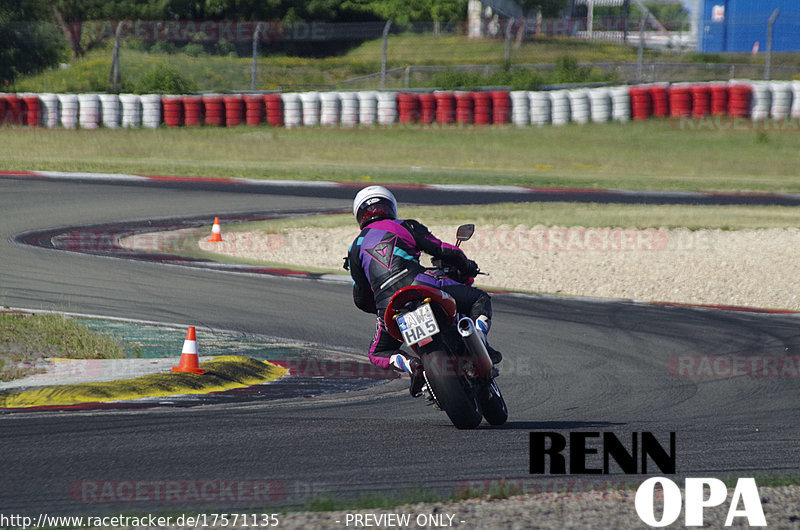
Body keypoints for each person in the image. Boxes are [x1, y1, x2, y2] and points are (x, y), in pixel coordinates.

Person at [344, 185, 502, 396]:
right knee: (479, 299)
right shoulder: (404, 226)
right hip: (419, 283)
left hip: (388, 304)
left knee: (377, 352)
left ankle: (412, 366)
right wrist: (467, 266)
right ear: (391, 207)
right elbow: (444, 250)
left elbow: (361, 298)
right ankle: (479, 341)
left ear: (359, 216)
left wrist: (384, 307)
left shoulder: (355, 247)